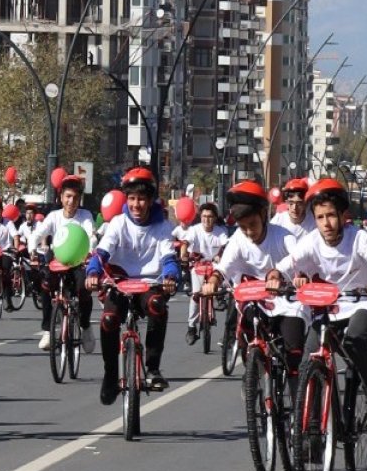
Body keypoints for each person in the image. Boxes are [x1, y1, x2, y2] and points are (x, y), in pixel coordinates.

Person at [265, 178, 367, 430]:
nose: (326, 223)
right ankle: (313, 429)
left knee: (355, 340)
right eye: (320, 217)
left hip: (363, 303)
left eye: (331, 216)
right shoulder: (312, 241)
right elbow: (283, 267)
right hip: (328, 307)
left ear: (343, 216)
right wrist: (275, 278)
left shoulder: (359, 238)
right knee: (308, 361)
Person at [85, 168, 180, 404]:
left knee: (158, 305)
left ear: (150, 200)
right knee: (108, 319)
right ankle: (110, 375)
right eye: (132, 199)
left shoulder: (163, 226)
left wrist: (170, 275)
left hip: (149, 285)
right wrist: (93, 271)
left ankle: (152, 369)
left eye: (141, 199)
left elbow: (169, 257)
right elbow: (102, 252)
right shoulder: (118, 223)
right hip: (119, 284)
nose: (136, 204)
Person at [201, 181, 305, 383]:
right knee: (245, 328)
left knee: (294, 353)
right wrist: (213, 282)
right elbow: (223, 268)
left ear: (264, 215)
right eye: (243, 227)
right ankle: (252, 375)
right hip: (252, 302)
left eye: (253, 225)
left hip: (285, 303)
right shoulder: (238, 240)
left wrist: (294, 278)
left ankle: (297, 405)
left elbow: (298, 262)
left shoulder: (284, 237)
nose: (249, 232)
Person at [30, 176, 96, 352]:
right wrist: (32, 250)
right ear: (61, 197)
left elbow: (91, 236)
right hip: (57, 261)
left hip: (78, 261)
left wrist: (90, 251)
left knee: (84, 289)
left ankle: (85, 327)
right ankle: (47, 330)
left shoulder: (85, 216)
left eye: (75, 197)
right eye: (68, 196)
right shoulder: (53, 216)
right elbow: (37, 234)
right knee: (45, 286)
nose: (71, 201)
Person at [180, 202, 229, 345]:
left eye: (210, 216)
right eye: (204, 216)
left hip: (214, 265)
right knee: (196, 295)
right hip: (198, 265)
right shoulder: (194, 230)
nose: (207, 219)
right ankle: (191, 328)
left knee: (223, 277)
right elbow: (185, 244)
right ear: (200, 217)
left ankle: (220, 299)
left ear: (215, 218)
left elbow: (225, 246)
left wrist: (221, 255)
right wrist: (184, 255)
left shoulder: (221, 231)